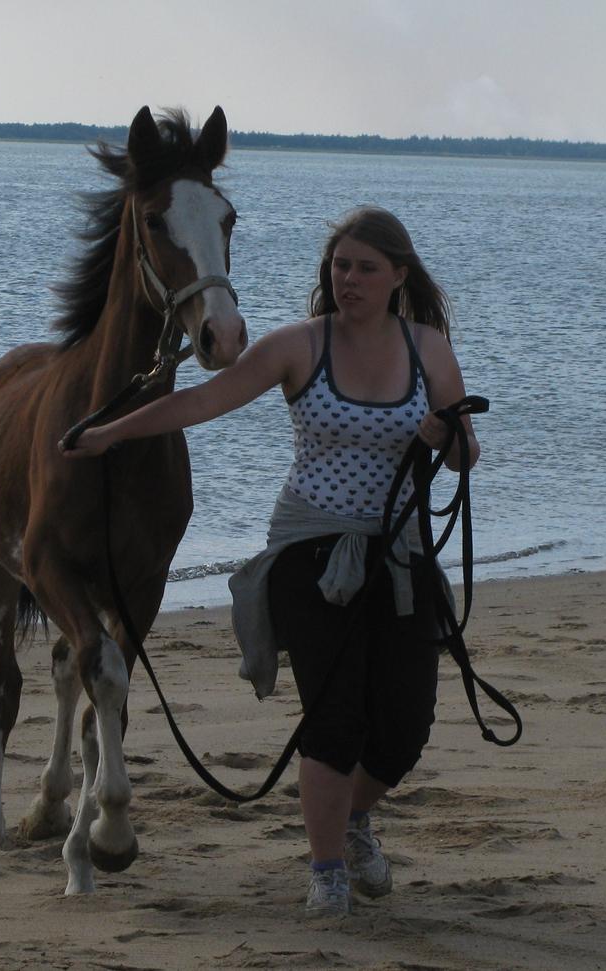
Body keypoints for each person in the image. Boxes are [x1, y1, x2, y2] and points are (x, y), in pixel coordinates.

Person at [61, 206, 479, 917]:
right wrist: (111, 432)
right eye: (339, 266)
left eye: (364, 269)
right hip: (309, 552)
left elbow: (466, 452)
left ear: (398, 276)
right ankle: (327, 873)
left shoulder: (428, 348)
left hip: (400, 557)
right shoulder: (298, 345)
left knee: (404, 727)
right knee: (334, 717)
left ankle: (350, 819)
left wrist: (444, 436)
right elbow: (202, 400)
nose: (348, 280)